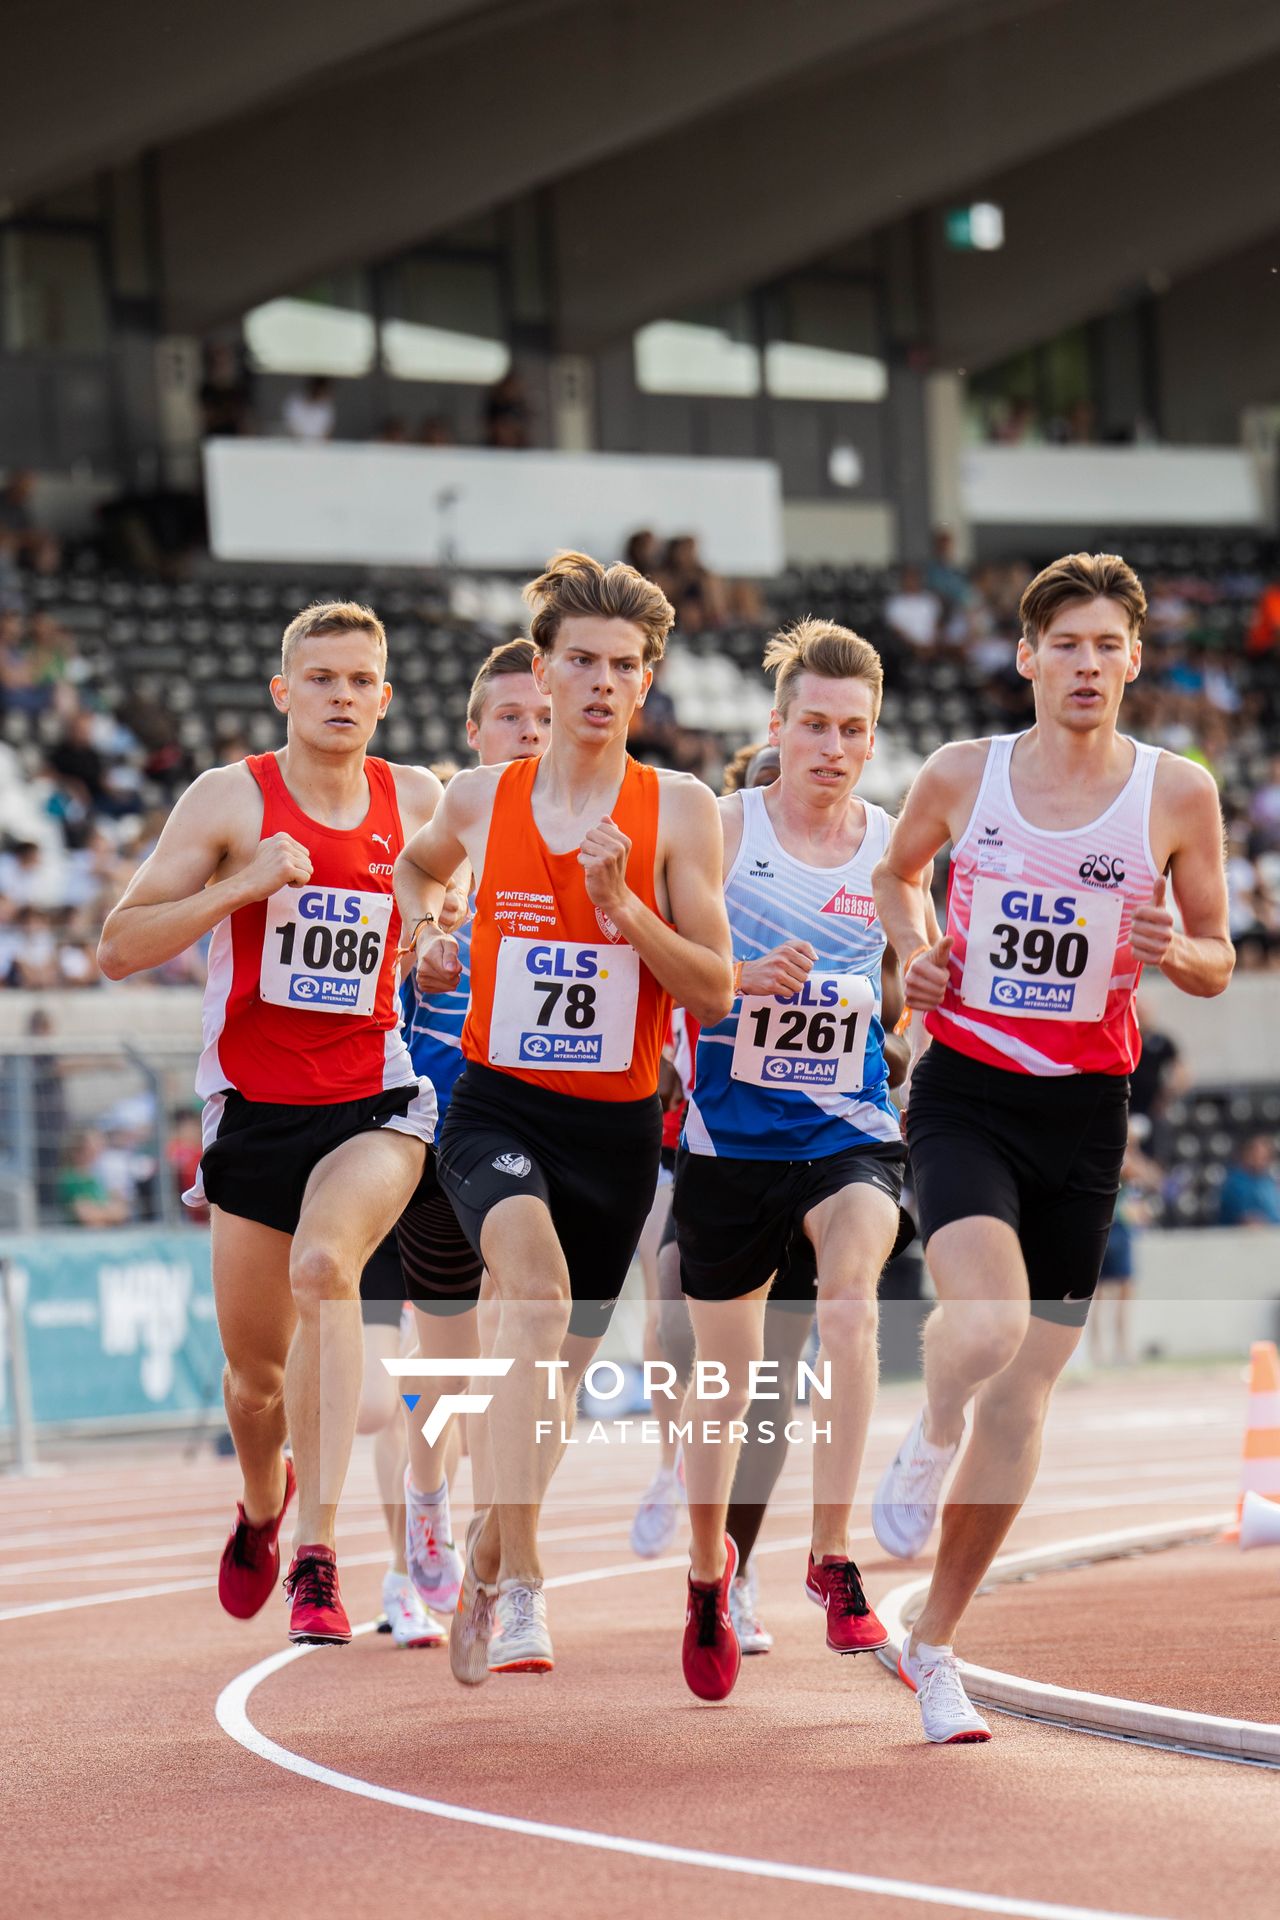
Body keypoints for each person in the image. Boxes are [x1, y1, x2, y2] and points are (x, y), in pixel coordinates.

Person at [872, 550, 1233, 1743]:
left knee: (1025, 1389)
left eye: (1106, 646)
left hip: (1084, 1111)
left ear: (1135, 660)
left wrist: (1170, 948)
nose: (1086, 665)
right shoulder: (960, 773)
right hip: (966, 1088)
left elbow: (1219, 958)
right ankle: (927, 1430)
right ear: (1025, 657)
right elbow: (896, 872)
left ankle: (935, 1646)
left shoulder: (1175, 792)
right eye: (1063, 644)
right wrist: (915, 954)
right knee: (979, 1330)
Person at [395, 550, 733, 1682]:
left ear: (648, 682)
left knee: (552, 1389)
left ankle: (488, 1562)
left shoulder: (678, 809)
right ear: (541, 673)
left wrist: (621, 905)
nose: (599, 682)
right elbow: (413, 870)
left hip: (615, 1131)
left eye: (622, 665)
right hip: (497, 1107)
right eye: (579, 661)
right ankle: (529, 1585)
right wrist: (431, 932)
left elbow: (712, 988)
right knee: (528, 1298)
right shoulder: (481, 797)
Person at [97, 601, 440, 1645]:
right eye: (321, 678)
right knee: (254, 1383)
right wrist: (243, 882)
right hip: (252, 1112)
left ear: (384, 697)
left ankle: (319, 1557)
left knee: (327, 1273)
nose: (342, 696)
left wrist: (434, 934)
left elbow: (446, 905)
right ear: (283, 691)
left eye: (360, 681)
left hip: (376, 1102)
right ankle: (263, 1505)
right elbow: (119, 945)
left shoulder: (417, 801)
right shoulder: (227, 799)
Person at [673, 618, 922, 1701]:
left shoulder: (892, 847)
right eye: (812, 725)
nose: (829, 745)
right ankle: (706, 1571)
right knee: (723, 1383)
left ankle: (830, 1557)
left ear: (870, 742)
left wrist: (920, 990)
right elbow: (671, 968)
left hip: (847, 1130)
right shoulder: (721, 828)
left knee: (851, 1303)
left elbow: (913, 977)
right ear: (774, 727)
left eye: (851, 730)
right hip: (729, 1139)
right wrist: (736, 975)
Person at [358, 637, 552, 1649]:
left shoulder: (576, 849)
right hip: (409, 1141)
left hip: (512, 1136)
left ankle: (466, 1548)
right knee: (421, 1376)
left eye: (545, 717)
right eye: (511, 718)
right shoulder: (431, 862)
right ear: (472, 736)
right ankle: (415, 1535)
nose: (530, 733)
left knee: (480, 1364)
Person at [1218, 1134, 1280, 1227]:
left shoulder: (1269, 1183)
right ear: (1247, 1154)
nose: (1259, 1160)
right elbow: (1245, 1218)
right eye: (1256, 1155)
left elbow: (1275, 1214)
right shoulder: (1234, 1183)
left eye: (1264, 1157)